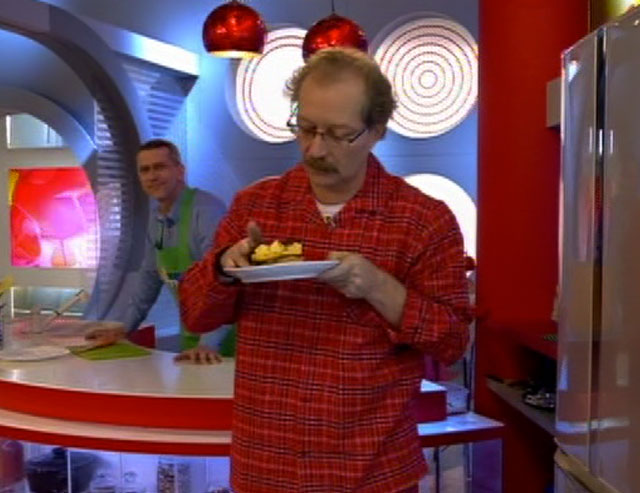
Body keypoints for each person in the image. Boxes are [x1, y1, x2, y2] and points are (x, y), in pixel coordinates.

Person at [180, 48, 472, 492]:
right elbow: (195, 314)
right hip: (267, 467)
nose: (315, 149)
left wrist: (380, 288)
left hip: (372, 472)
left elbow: (452, 341)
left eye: (338, 134)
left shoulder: (423, 220)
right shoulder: (256, 206)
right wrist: (223, 268)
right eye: (306, 128)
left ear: (377, 130)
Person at [122, 139, 232, 363]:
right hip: (192, 339)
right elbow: (148, 279)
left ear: (180, 171)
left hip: (225, 340)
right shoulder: (156, 219)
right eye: (145, 170)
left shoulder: (207, 210)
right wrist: (123, 328)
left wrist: (208, 343)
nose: (152, 176)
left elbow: (223, 280)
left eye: (160, 167)